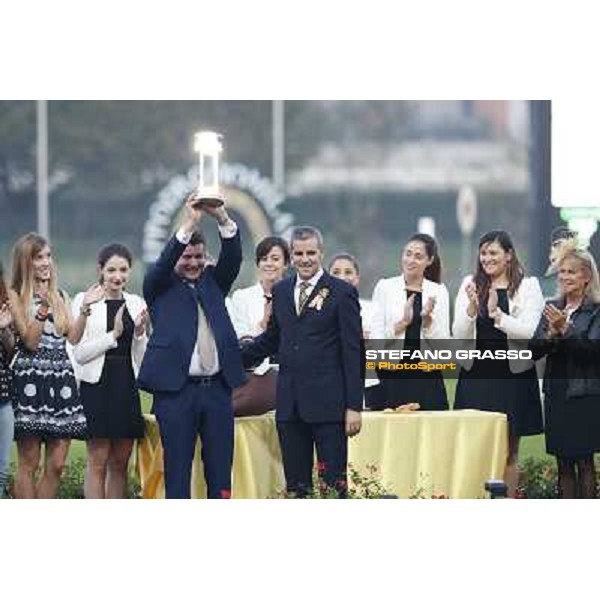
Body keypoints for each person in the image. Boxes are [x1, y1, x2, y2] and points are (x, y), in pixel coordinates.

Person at [137, 193, 245, 499]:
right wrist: (189, 224)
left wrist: (222, 218)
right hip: (176, 393)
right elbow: (162, 264)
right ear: (176, 259)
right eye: (187, 257)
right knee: (178, 473)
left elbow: (234, 258)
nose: (194, 263)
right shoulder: (158, 286)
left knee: (220, 473)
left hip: (217, 392)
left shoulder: (214, 282)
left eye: (199, 257)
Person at [241, 226, 363, 497]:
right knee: (296, 488)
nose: (305, 259)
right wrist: (233, 356)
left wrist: (354, 406)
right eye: (299, 253)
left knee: (333, 487)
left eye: (311, 253)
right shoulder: (282, 290)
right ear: (291, 256)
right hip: (290, 406)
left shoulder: (341, 292)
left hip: (329, 407)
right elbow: (272, 339)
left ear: (321, 253)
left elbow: (353, 352)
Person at [9, 232, 104, 499]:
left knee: (57, 464)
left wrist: (84, 309)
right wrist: (41, 310)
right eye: (39, 257)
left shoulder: (60, 294)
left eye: (48, 256)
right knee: (29, 463)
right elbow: (29, 341)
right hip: (30, 379)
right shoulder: (16, 295)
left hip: (60, 379)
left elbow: (72, 337)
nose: (46, 262)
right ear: (26, 262)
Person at [453, 230, 544, 498]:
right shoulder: (470, 283)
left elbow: (529, 331)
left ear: (509, 255)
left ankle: (504, 501)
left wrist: (497, 315)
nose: (487, 258)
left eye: (493, 252)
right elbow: (458, 333)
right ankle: (475, 498)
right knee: (475, 445)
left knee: (509, 449)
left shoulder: (529, 286)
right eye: (483, 253)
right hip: (477, 374)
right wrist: (472, 308)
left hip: (513, 375)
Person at [70, 244, 149, 499]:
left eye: (123, 270)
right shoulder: (85, 300)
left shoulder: (136, 303)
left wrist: (139, 334)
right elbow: (79, 353)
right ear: (100, 270)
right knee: (98, 460)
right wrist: (112, 336)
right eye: (112, 269)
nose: (118, 276)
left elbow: (141, 358)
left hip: (126, 385)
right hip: (97, 385)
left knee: (120, 461)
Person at [530, 237, 600, 498]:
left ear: (586, 277)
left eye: (571, 271)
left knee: (584, 461)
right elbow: (533, 351)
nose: (565, 277)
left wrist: (565, 328)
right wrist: (549, 336)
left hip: (585, 396)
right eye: (562, 271)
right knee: (563, 463)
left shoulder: (595, 311)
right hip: (557, 395)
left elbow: (591, 351)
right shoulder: (552, 307)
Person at [370, 233, 450, 411]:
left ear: (429, 260)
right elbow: (374, 341)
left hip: (426, 377)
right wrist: (402, 324)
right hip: (389, 375)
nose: (411, 260)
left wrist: (428, 322)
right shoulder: (384, 287)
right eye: (408, 254)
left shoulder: (438, 291)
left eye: (418, 256)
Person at [228, 236, 290, 416]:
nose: (269, 264)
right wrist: (264, 324)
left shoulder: (297, 296)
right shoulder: (242, 297)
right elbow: (242, 342)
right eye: (264, 259)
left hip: (291, 374)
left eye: (275, 259)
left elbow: (377, 341)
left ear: (286, 264)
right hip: (256, 374)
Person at [328, 252, 382, 409]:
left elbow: (379, 349)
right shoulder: (317, 309)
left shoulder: (372, 309)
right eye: (336, 272)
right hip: (328, 386)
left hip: (367, 385)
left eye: (348, 272)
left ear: (357, 278)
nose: (342, 277)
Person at [0, 261, 16, 498]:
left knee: (1, 472)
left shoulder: (4, 302)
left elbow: (11, 352)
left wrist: (4, 331)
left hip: (3, 398)